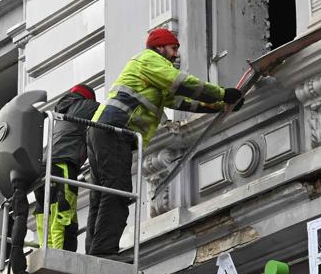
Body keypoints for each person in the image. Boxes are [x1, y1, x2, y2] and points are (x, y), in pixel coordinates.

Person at [85, 28, 243, 259]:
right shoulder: (150, 59)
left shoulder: (151, 74)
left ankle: (94, 251)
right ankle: (104, 251)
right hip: (115, 131)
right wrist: (222, 93)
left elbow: (179, 101)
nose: (176, 54)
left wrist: (218, 106)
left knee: (102, 194)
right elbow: (182, 84)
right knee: (117, 192)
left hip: (102, 131)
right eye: (173, 48)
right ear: (160, 47)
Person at [34, 84, 99, 251]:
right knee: (62, 213)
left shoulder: (62, 112)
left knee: (45, 214)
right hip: (62, 165)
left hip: (43, 168)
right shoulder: (87, 106)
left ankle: (46, 253)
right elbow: (109, 116)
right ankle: (59, 257)